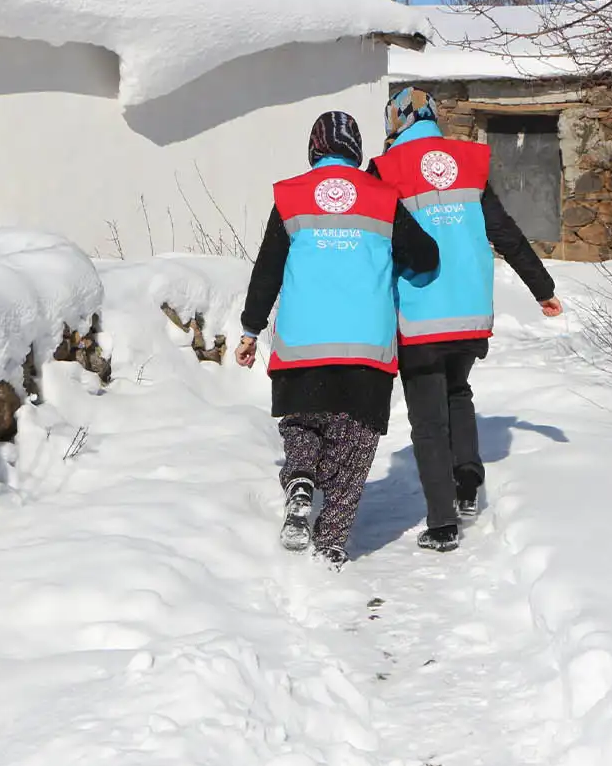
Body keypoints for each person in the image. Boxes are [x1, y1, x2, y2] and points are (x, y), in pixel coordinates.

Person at [236, 111, 439, 569]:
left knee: (303, 422)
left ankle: (302, 479)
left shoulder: (290, 197)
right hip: (366, 346)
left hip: (302, 344)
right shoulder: (384, 197)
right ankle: (330, 547)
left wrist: (250, 330)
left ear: (314, 149)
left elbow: (267, 270)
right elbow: (425, 257)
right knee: (356, 438)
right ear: (355, 148)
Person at [368, 87, 563, 553]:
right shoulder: (469, 161)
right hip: (470, 311)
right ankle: (468, 478)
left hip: (418, 311)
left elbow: (372, 239)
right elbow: (503, 231)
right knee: (457, 390)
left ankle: (441, 522)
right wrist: (543, 288)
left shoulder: (384, 169)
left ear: (397, 119)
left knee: (427, 418)